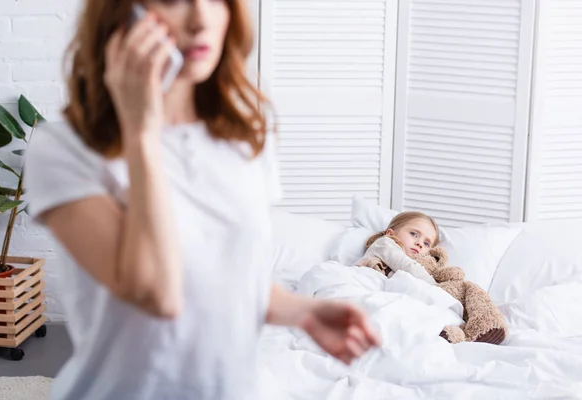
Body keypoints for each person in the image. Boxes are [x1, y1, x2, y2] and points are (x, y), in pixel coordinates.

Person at [24, 1, 380, 399]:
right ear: (124, 13)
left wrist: (302, 311)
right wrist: (143, 132)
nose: (200, 20)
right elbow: (158, 295)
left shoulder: (245, 134)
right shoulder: (64, 150)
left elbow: (231, 274)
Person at [355, 212, 439, 284]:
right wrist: (436, 286)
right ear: (390, 234)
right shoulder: (384, 244)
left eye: (426, 243)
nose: (420, 243)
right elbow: (408, 266)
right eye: (413, 234)